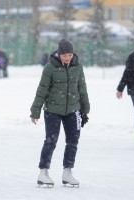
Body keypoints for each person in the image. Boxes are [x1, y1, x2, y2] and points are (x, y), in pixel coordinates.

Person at [30, 39, 90, 188]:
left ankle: (67, 172)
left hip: (73, 109)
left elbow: (82, 88)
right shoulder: (50, 67)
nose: (68, 58)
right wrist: (35, 111)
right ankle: (43, 173)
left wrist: (85, 108)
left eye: (70, 54)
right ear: (59, 54)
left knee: (73, 141)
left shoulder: (77, 67)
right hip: (52, 110)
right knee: (51, 141)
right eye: (65, 55)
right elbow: (42, 89)